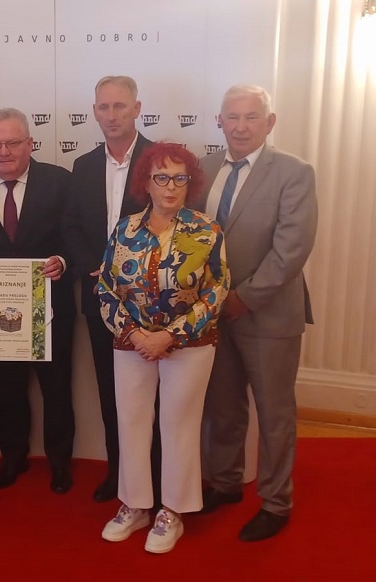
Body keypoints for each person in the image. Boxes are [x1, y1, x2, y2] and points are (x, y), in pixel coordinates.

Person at [197, 85, 318, 542]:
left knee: (274, 413)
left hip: (268, 315)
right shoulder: (203, 169)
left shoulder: (294, 172)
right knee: (222, 406)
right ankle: (225, 483)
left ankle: (275, 502)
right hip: (212, 314)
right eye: (233, 117)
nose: (241, 126)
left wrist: (242, 298)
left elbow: (292, 249)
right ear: (220, 122)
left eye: (252, 117)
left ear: (270, 123)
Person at [97, 142, 229, 554]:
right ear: (146, 183)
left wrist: (169, 336)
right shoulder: (124, 230)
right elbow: (105, 287)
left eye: (179, 178)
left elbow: (217, 290)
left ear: (190, 183)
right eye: (161, 178)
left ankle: (172, 511)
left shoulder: (206, 230)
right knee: (131, 422)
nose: (170, 187)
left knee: (179, 425)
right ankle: (135, 505)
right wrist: (136, 336)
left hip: (189, 345)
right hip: (132, 344)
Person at [0, 108, 76, 494]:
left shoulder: (60, 182)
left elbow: (76, 236)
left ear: (30, 143)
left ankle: (60, 462)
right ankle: (12, 457)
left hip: (50, 306)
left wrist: (63, 261)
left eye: (12, 142)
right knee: (7, 388)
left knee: (57, 388)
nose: (3, 151)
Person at [62, 75, 161, 503]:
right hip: (100, 301)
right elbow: (70, 227)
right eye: (104, 107)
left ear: (137, 109)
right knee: (111, 392)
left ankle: (156, 480)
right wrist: (97, 270)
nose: (111, 115)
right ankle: (119, 474)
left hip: (151, 306)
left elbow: (174, 227)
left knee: (154, 398)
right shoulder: (83, 166)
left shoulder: (160, 161)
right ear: (94, 112)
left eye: (120, 106)